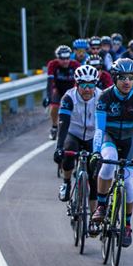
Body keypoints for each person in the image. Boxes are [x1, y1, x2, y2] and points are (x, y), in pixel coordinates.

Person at [90, 58, 133, 246]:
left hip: (131, 139)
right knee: (108, 165)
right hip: (110, 137)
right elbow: (99, 129)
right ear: (115, 78)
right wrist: (95, 151)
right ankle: (101, 205)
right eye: (122, 77)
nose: (127, 81)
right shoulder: (105, 97)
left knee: (128, 183)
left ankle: (127, 224)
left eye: (131, 77)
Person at [54, 64, 101, 210]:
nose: (87, 89)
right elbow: (63, 123)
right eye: (83, 85)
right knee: (68, 154)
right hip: (73, 133)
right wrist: (59, 147)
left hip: (93, 136)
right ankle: (66, 183)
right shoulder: (69, 98)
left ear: (95, 84)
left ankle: (93, 218)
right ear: (77, 84)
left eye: (91, 85)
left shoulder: (102, 97)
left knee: (94, 177)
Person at [45, 45, 78, 140]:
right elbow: (50, 82)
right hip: (58, 89)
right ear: (57, 58)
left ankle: (73, 127)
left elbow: (78, 82)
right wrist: (48, 96)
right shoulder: (52, 64)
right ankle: (54, 126)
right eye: (62, 59)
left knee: (74, 108)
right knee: (54, 106)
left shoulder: (75, 65)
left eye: (67, 58)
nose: (65, 61)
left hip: (71, 88)